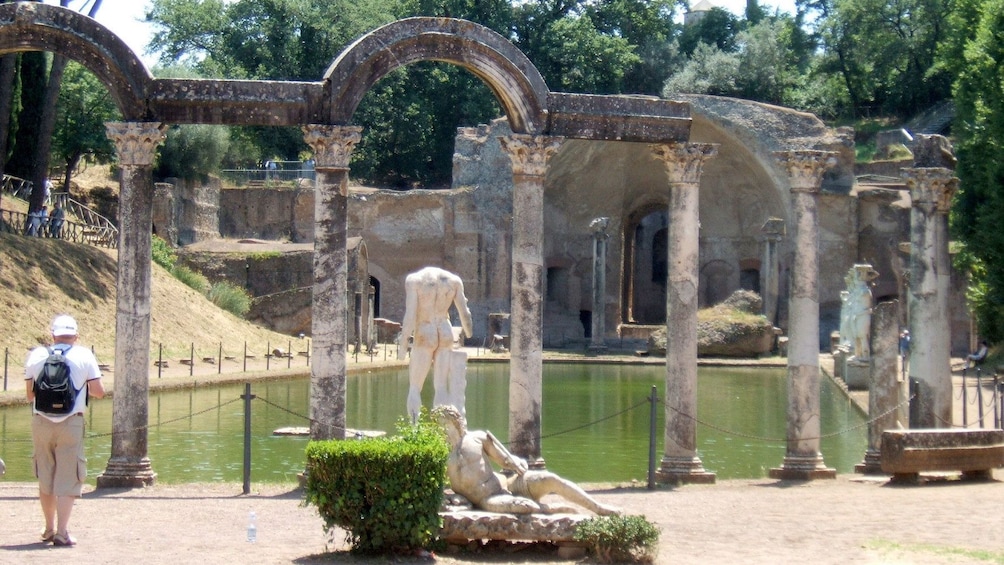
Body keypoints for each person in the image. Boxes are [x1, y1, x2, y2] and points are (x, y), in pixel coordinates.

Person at [434, 405, 620, 516]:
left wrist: (516, 462)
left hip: (509, 483)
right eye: (439, 426)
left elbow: (505, 459)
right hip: (489, 499)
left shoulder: (477, 438)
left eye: (446, 425)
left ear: (456, 423)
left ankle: (598, 508)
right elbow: (440, 485)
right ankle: (550, 509)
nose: (443, 430)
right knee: (525, 506)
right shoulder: (441, 453)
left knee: (549, 478)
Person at [24, 315, 106, 547]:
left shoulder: (37, 355)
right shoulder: (84, 355)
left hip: (41, 422)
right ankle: (62, 531)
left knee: (46, 474)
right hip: (71, 422)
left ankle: (48, 528)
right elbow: (98, 391)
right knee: (69, 476)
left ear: (52, 335)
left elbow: (30, 395)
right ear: (76, 336)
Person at [397, 267, 473, 421]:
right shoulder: (454, 281)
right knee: (441, 387)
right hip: (445, 331)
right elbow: (464, 313)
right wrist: (469, 331)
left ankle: (414, 429)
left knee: (415, 388)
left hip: (425, 331)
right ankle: (442, 430)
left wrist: (403, 344)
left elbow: (410, 316)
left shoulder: (415, 280)